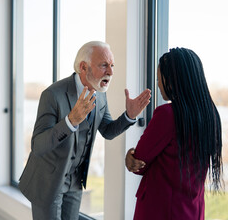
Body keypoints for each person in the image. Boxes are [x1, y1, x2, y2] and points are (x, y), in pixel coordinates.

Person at [18, 41, 151, 220]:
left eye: (112, 66)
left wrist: (129, 115)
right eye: (104, 65)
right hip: (48, 182)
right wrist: (70, 121)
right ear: (83, 67)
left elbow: (108, 131)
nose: (110, 72)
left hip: (75, 182)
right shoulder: (52, 95)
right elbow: (38, 146)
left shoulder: (100, 95)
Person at [125, 47, 223, 220]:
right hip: (192, 210)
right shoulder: (210, 115)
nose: (158, 83)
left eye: (159, 78)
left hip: (161, 211)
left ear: (172, 80)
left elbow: (139, 161)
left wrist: (130, 155)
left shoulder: (167, 114)